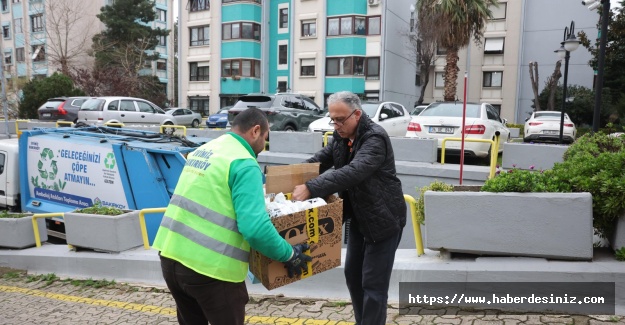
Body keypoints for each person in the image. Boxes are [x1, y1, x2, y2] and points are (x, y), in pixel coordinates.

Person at [152, 107, 311, 325]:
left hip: (171, 258)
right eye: (265, 138)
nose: (263, 147)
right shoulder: (244, 163)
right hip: (211, 271)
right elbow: (255, 229)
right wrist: (289, 254)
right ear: (256, 131)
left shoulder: (204, 150)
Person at [292, 91, 406, 325]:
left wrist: (311, 187)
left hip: (384, 220)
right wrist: (286, 176)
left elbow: (353, 172)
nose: (336, 125)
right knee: (353, 276)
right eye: (332, 119)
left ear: (357, 114)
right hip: (359, 219)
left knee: (373, 285)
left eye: (340, 119)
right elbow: (320, 161)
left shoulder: (375, 138)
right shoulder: (341, 136)